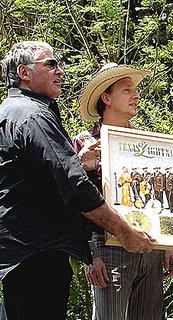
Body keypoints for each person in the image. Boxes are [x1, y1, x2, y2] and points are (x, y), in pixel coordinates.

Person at [0, 42, 153, 319]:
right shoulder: (33, 115)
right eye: (50, 64)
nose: (60, 70)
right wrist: (126, 233)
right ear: (24, 72)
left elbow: (30, 178)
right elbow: (75, 188)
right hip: (39, 254)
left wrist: (79, 164)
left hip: (21, 254)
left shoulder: (10, 111)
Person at [72, 62, 173, 320]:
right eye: (126, 90)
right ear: (106, 97)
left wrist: (170, 245)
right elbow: (74, 201)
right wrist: (90, 254)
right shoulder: (84, 143)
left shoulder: (148, 143)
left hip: (149, 245)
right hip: (106, 248)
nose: (136, 95)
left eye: (135, 89)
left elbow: (157, 198)